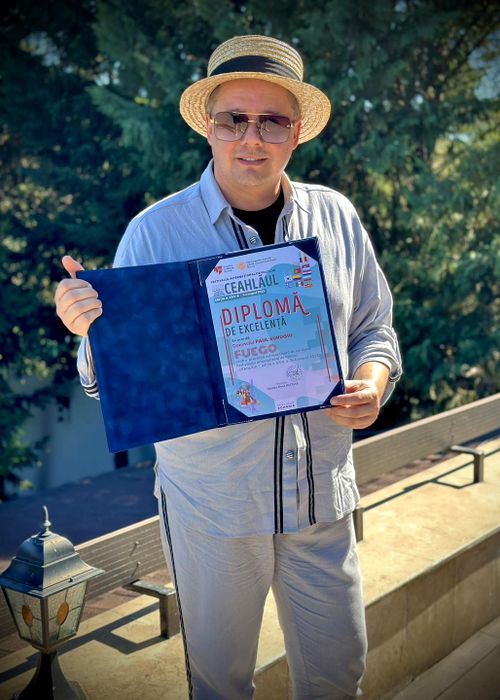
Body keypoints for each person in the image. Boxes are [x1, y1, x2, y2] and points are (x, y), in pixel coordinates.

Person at [55, 35, 402, 700]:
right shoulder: (156, 232)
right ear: (208, 127)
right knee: (220, 686)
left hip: (320, 498)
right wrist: (88, 329)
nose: (251, 138)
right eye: (233, 119)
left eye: (271, 121)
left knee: (339, 676)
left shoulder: (336, 216)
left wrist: (373, 385)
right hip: (213, 509)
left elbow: (374, 329)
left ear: (295, 132)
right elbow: (109, 381)